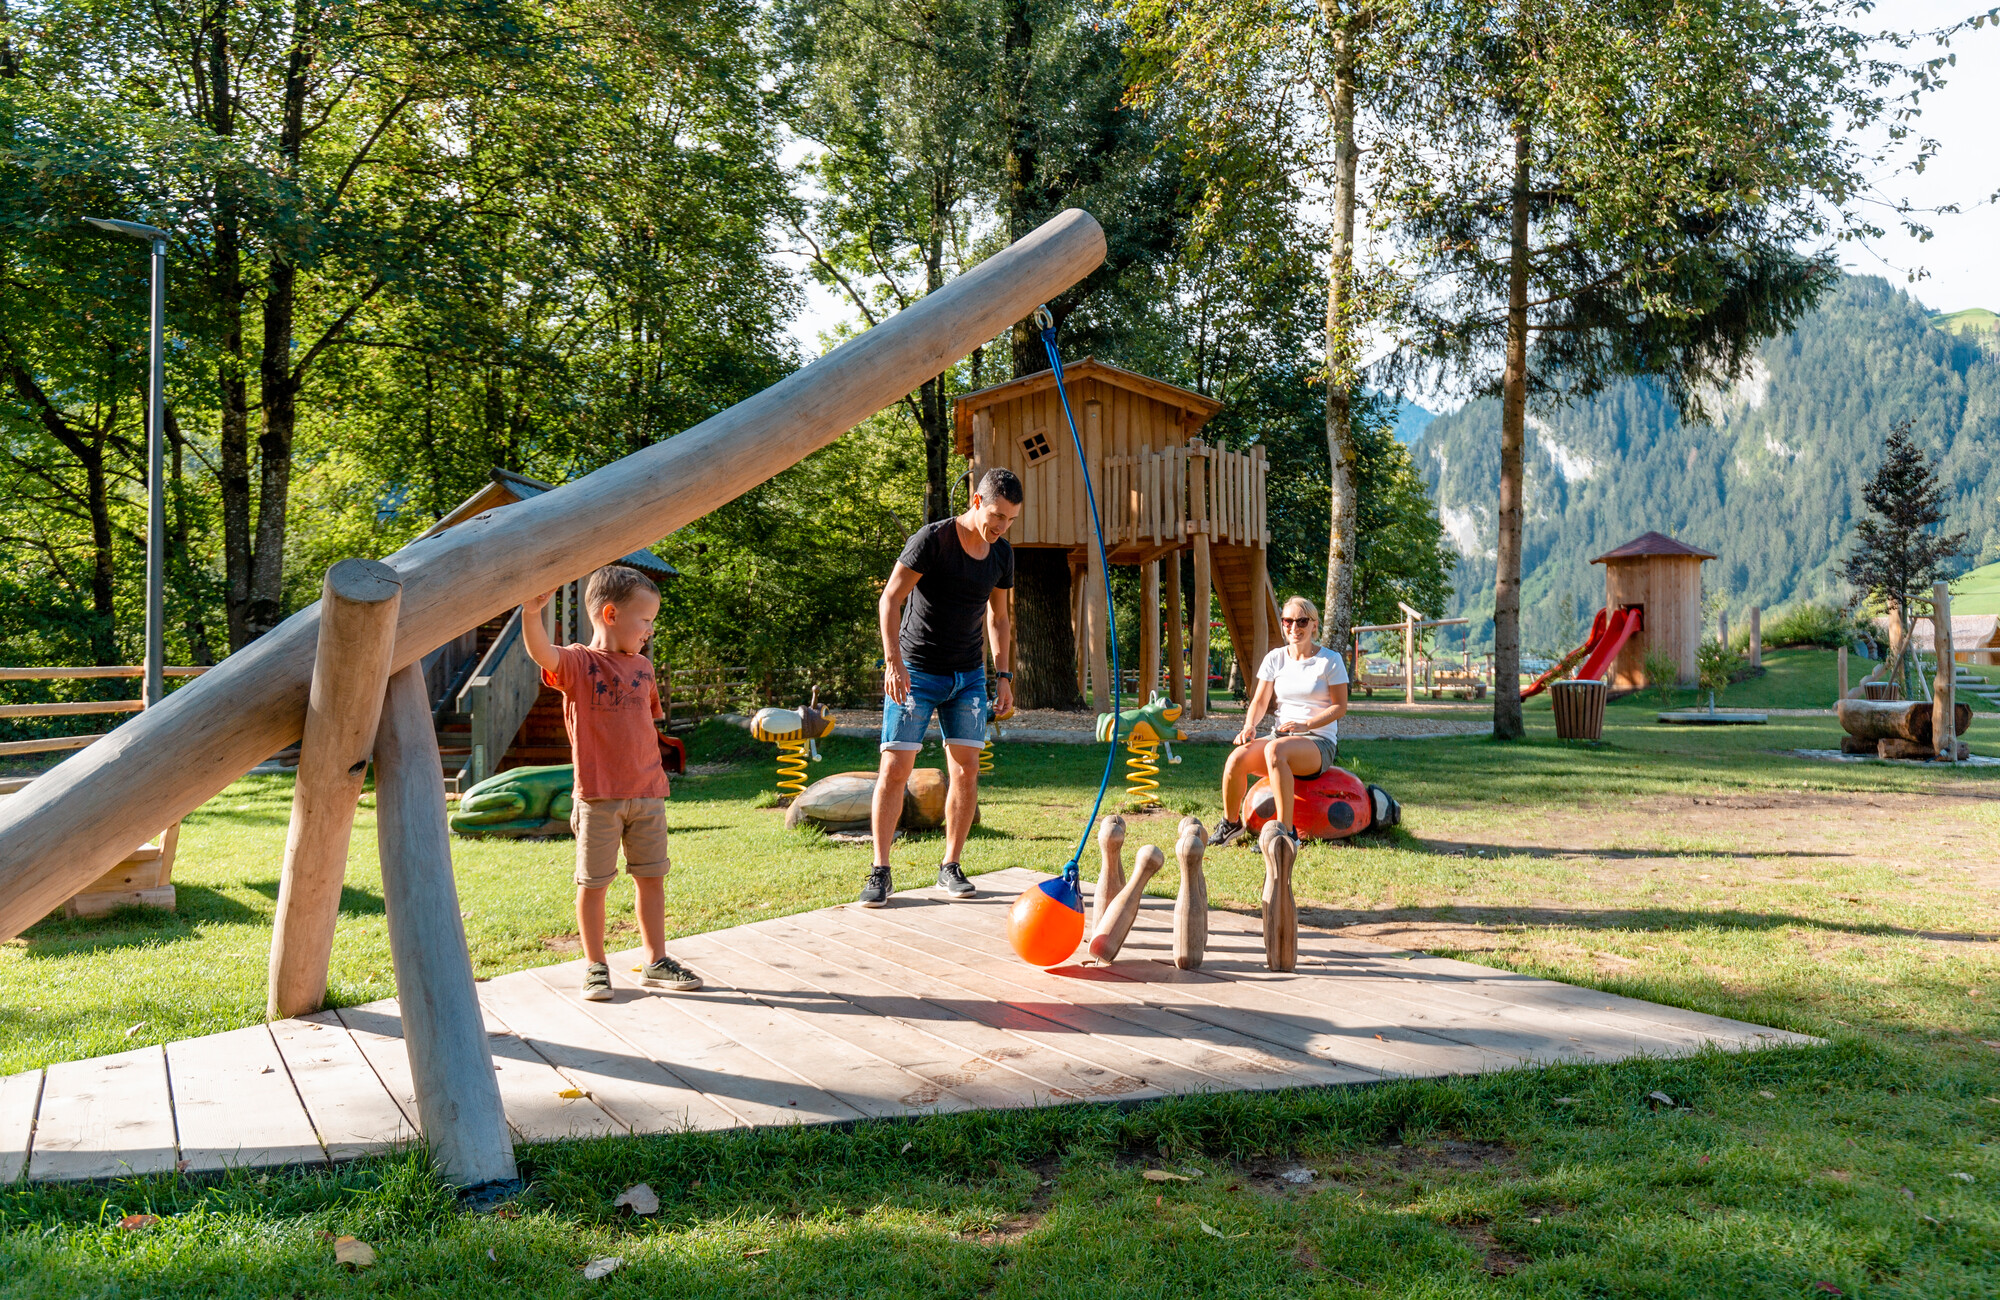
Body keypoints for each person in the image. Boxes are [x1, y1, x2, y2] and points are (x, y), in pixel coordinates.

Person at [522, 564, 702, 1001]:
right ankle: (595, 966)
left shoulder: (643, 666)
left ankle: (656, 961)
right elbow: (543, 653)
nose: (649, 631)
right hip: (598, 798)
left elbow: (646, 723)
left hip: (648, 795)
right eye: (645, 621)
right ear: (610, 614)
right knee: (594, 883)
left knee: (652, 877)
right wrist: (531, 614)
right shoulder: (579, 664)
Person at [861, 468, 1023, 906]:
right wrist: (893, 662)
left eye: (1009, 519)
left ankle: (950, 865)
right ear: (975, 501)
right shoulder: (932, 540)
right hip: (916, 670)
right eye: (996, 515)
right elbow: (890, 599)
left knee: (966, 770)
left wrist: (1003, 677)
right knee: (896, 769)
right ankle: (880, 870)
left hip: (968, 675)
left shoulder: (1001, 554)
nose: (1001, 526)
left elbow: (999, 618)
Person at [1208, 596, 1350, 847]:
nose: (1294, 627)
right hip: (1280, 739)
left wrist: (1307, 725)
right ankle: (1231, 825)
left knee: (1275, 750)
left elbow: (1340, 707)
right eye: (1288, 621)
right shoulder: (1275, 658)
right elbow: (1261, 701)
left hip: (1318, 742)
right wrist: (1249, 726)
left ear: (1314, 625)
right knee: (1236, 758)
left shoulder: (1330, 660)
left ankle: (1285, 834)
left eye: (1302, 621)